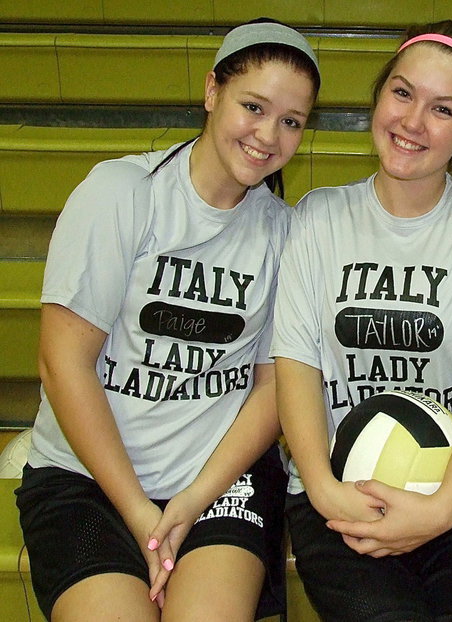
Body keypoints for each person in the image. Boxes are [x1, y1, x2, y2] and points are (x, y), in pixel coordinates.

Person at [14, 19, 320, 622]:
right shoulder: (123, 191)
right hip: (86, 478)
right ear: (212, 91)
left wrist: (192, 500)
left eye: (291, 121)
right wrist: (141, 515)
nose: (268, 135)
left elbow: (271, 387)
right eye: (253, 107)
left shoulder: (285, 231)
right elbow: (62, 362)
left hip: (218, 482)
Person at [271, 20, 452, 622]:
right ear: (378, 96)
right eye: (402, 93)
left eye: (443, 108)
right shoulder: (318, 218)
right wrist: (323, 488)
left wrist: (444, 507)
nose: (413, 121)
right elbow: (296, 367)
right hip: (340, 491)